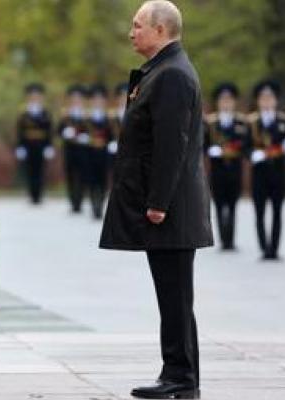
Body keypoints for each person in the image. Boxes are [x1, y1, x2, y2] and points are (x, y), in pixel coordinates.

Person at [99, 1, 212, 398]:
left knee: (175, 295)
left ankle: (179, 376)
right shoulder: (163, 71)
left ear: (161, 30)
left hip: (172, 209)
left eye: (138, 26)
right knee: (175, 296)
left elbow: (171, 146)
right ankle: (181, 375)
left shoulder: (172, 76)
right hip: (169, 207)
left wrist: (159, 202)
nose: (132, 33)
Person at [247, 80, 285, 260]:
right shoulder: (252, 122)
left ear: (275, 100)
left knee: (277, 211)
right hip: (259, 173)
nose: (267, 102)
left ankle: (274, 248)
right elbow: (245, 146)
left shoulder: (284, 121)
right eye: (263, 98)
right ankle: (263, 247)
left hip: (278, 173)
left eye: (270, 98)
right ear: (259, 101)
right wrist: (252, 154)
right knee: (259, 211)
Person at [204, 82, 250, 250]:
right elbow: (203, 144)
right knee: (219, 204)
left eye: (229, 100)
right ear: (218, 103)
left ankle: (231, 240)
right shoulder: (211, 123)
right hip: (218, 170)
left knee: (232, 205)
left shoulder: (241, 122)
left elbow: (246, 145)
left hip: (234, 169)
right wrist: (211, 150)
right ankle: (223, 239)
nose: (226, 103)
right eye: (223, 100)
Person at [15, 83, 54, 204]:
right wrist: (20, 146)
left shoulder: (45, 113)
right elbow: (20, 131)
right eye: (32, 96)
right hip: (28, 145)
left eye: (37, 96)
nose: (35, 99)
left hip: (41, 145)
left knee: (40, 170)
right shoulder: (24, 114)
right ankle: (32, 194)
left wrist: (49, 146)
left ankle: (39, 194)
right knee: (29, 170)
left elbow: (49, 131)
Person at [85, 83, 115, 219]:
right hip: (90, 152)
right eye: (95, 99)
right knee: (92, 180)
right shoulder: (86, 117)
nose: (97, 102)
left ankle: (100, 206)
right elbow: (79, 132)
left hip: (103, 152)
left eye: (100, 99)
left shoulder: (109, 118)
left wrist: (112, 142)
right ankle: (93, 205)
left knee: (103, 181)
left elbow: (113, 134)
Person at [57, 84, 89, 213]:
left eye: (78, 99)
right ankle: (72, 201)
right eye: (73, 99)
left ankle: (79, 201)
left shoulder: (87, 115)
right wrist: (64, 132)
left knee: (82, 175)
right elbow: (58, 130)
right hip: (69, 149)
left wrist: (86, 136)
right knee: (70, 175)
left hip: (83, 151)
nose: (76, 101)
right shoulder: (65, 115)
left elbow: (92, 130)